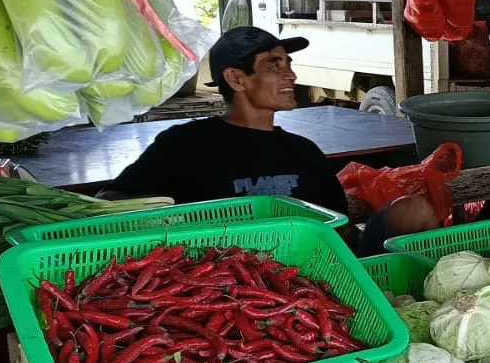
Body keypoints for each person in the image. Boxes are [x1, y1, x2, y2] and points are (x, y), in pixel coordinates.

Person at [103, 27, 437, 254]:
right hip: (223, 281)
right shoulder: (183, 145)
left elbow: (341, 233)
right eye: (273, 66)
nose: (290, 74)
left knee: (410, 210)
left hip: (309, 273)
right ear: (236, 79)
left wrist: (381, 234)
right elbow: (111, 200)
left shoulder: (303, 152)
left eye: (288, 64)